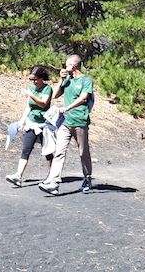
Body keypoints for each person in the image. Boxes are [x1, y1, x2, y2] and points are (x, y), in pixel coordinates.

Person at [39, 54, 95, 195]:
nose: (65, 67)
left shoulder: (86, 80)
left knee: (83, 152)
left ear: (74, 66)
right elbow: (55, 95)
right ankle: (54, 183)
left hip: (80, 121)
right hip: (65, 122)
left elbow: (83, 98)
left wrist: (67, 107)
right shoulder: (68, 79)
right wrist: (61, 80)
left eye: (67, 65)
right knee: (59, 152)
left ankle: (87, 177)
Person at [5, 66, 54, 187]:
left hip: (43, 125)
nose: (33, 82)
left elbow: (43, 104)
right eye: (32, 79)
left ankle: (53, 176)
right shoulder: (32, 88)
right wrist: (22, 120)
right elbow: (29, 106)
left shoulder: (47, 89)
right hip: (32, 123)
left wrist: (30, 94)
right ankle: (18, 175)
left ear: (42, 78)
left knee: (47, 152)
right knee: (26, 149)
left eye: (35, 79)